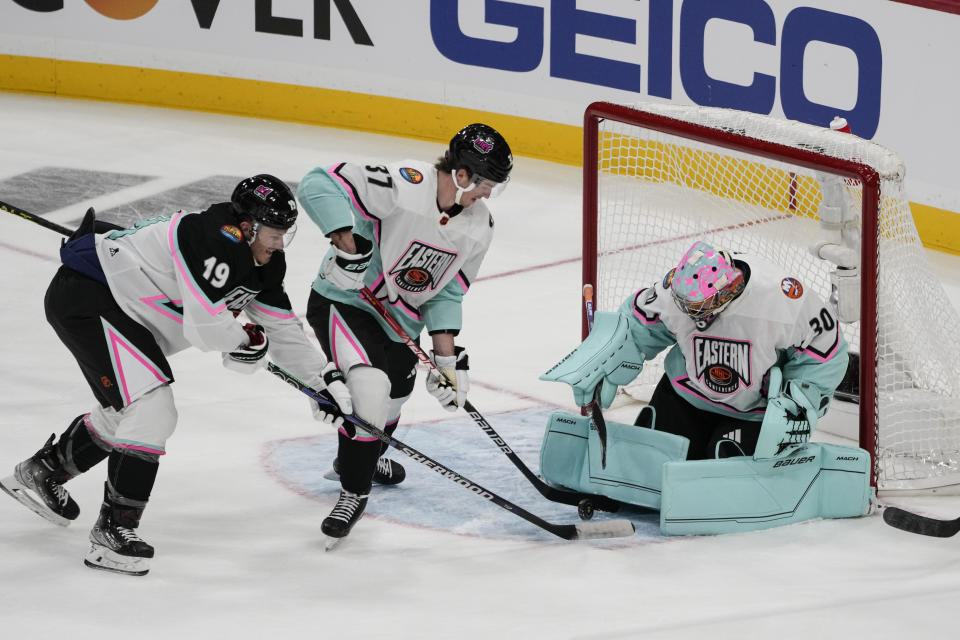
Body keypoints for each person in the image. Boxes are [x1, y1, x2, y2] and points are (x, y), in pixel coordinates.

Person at [0, 175, 351, 575]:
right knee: (152, 409)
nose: (278, 244)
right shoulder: (213, 240)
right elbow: (205, 327)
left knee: (129, 413)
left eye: (284, 234)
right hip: (90, 296)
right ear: (249, 225)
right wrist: (245, 340)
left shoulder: (263, 262)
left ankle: (41, 473)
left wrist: (321, 385)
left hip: (123, 308)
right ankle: (113, 532)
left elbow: (283, 329)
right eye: (274, 233)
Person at [540, 240, 871, 535]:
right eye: (686, 305)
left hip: (751, 413)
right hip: (685, 395)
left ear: (726, 291)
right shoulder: (674, 292)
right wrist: (611, 354)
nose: (691, 314)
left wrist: (802, 399)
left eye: (699, 307)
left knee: (722, 463)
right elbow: (638, 326)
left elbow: (827, 352)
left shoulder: (782, 298)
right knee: (652, 463)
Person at [296, 123, 513, 543]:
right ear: (463, 175)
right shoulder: (406, 183)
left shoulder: (479, 227)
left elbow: (448, 291)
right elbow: (319, 183)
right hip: (347, 301)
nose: (488, 194)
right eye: (487, 184)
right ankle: (353, 492)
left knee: (394, 399)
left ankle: (363, 456)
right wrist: (345, 246)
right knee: (370, 392)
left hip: (400, 321)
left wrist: (446, 362)